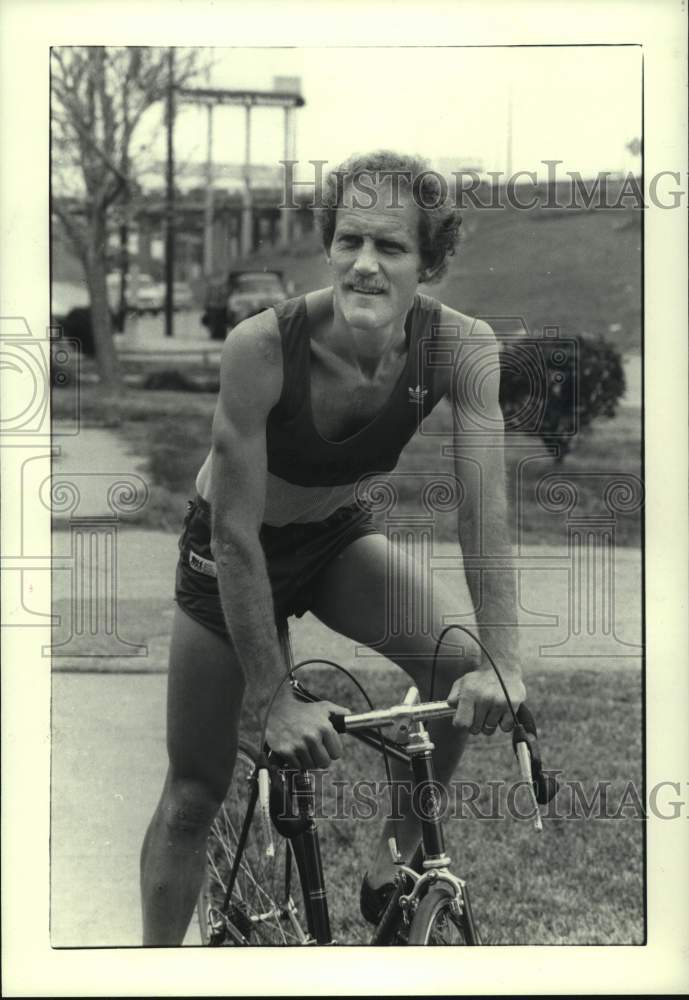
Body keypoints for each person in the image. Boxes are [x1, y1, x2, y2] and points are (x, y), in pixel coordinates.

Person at [139, 150, 525, 945]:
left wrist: (505, 661)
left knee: (456, 662)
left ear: (432, 261)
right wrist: (274, 695)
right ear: (327, 243)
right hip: (228, 553)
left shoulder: (461, 346)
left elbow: (483, 507)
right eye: (348, 240)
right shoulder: (262, 345)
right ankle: (150, 972)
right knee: (193, 792)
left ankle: (393, 858)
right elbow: (235, 535)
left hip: (333, 535)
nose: (363, 265)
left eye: (390, 247)